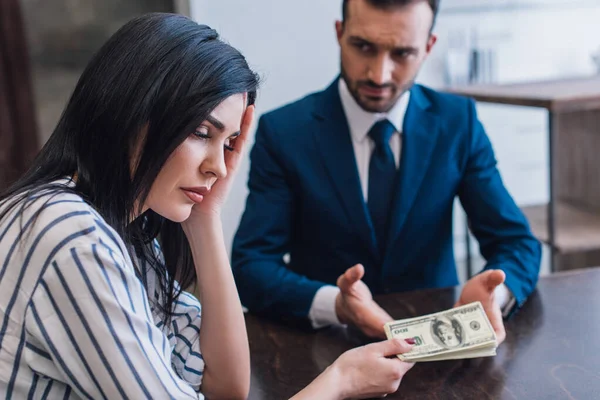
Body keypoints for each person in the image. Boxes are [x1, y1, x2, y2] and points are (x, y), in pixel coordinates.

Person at [0, 13, 416, 400]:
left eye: (230, 144)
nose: (218, 166)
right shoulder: (72, 234)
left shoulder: (128, 232)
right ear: (131, 112)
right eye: (202, 132)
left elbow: (224, 385)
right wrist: (338, 381)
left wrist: (206, 219)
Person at [232, 0, 541, 344]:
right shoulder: (284, 132)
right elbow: (251, 265)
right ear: (340, 33)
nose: (379, 75)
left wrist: (494, 297)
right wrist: (335, 304)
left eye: (403, 53)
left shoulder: (458, 123)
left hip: (438, 347)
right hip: (327, 348)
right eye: (364, 47)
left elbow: (517, 243)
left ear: (428, 47)